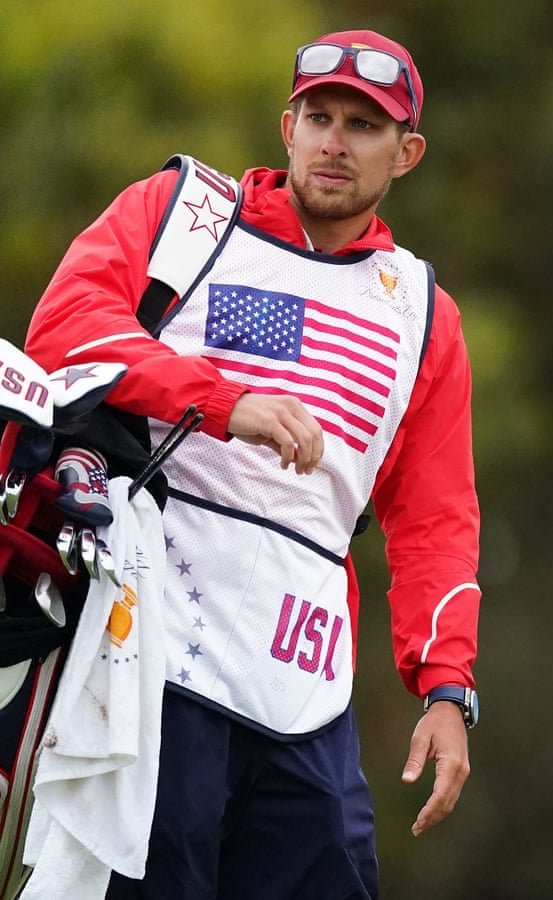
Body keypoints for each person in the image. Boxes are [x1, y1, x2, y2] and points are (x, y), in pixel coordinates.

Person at [22, 29, 482, 899]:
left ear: (407, 152)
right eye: (318, 116)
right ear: (287, 125)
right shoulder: (185, 212)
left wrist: (447, 689)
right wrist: (221, 400)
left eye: (363, 124)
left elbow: (436, 520)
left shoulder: (424, 312)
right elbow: (66, 324)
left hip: (305, 682)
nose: (334, 141)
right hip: (155, 648)